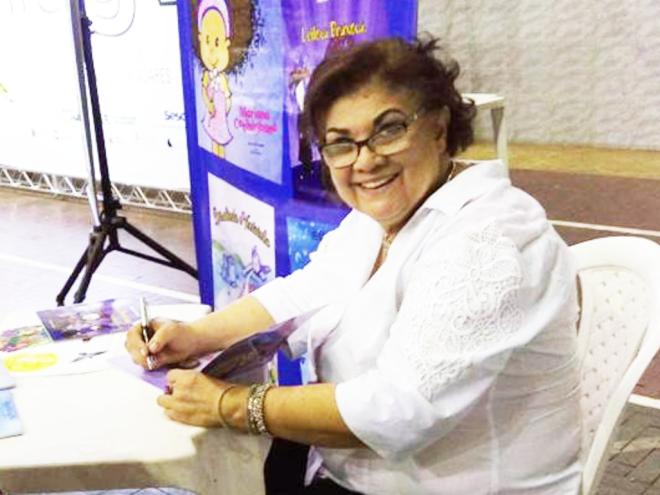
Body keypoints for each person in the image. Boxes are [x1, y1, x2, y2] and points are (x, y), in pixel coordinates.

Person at [126, 36, 582, 494]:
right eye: (340, 143)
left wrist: (230, 404)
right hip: (347, 472)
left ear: (439, 128)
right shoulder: (380, 220)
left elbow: (399, 408)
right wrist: (195, 335)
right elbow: (305, 292)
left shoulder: (489, 239)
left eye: (389, 130)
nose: (365, 159)